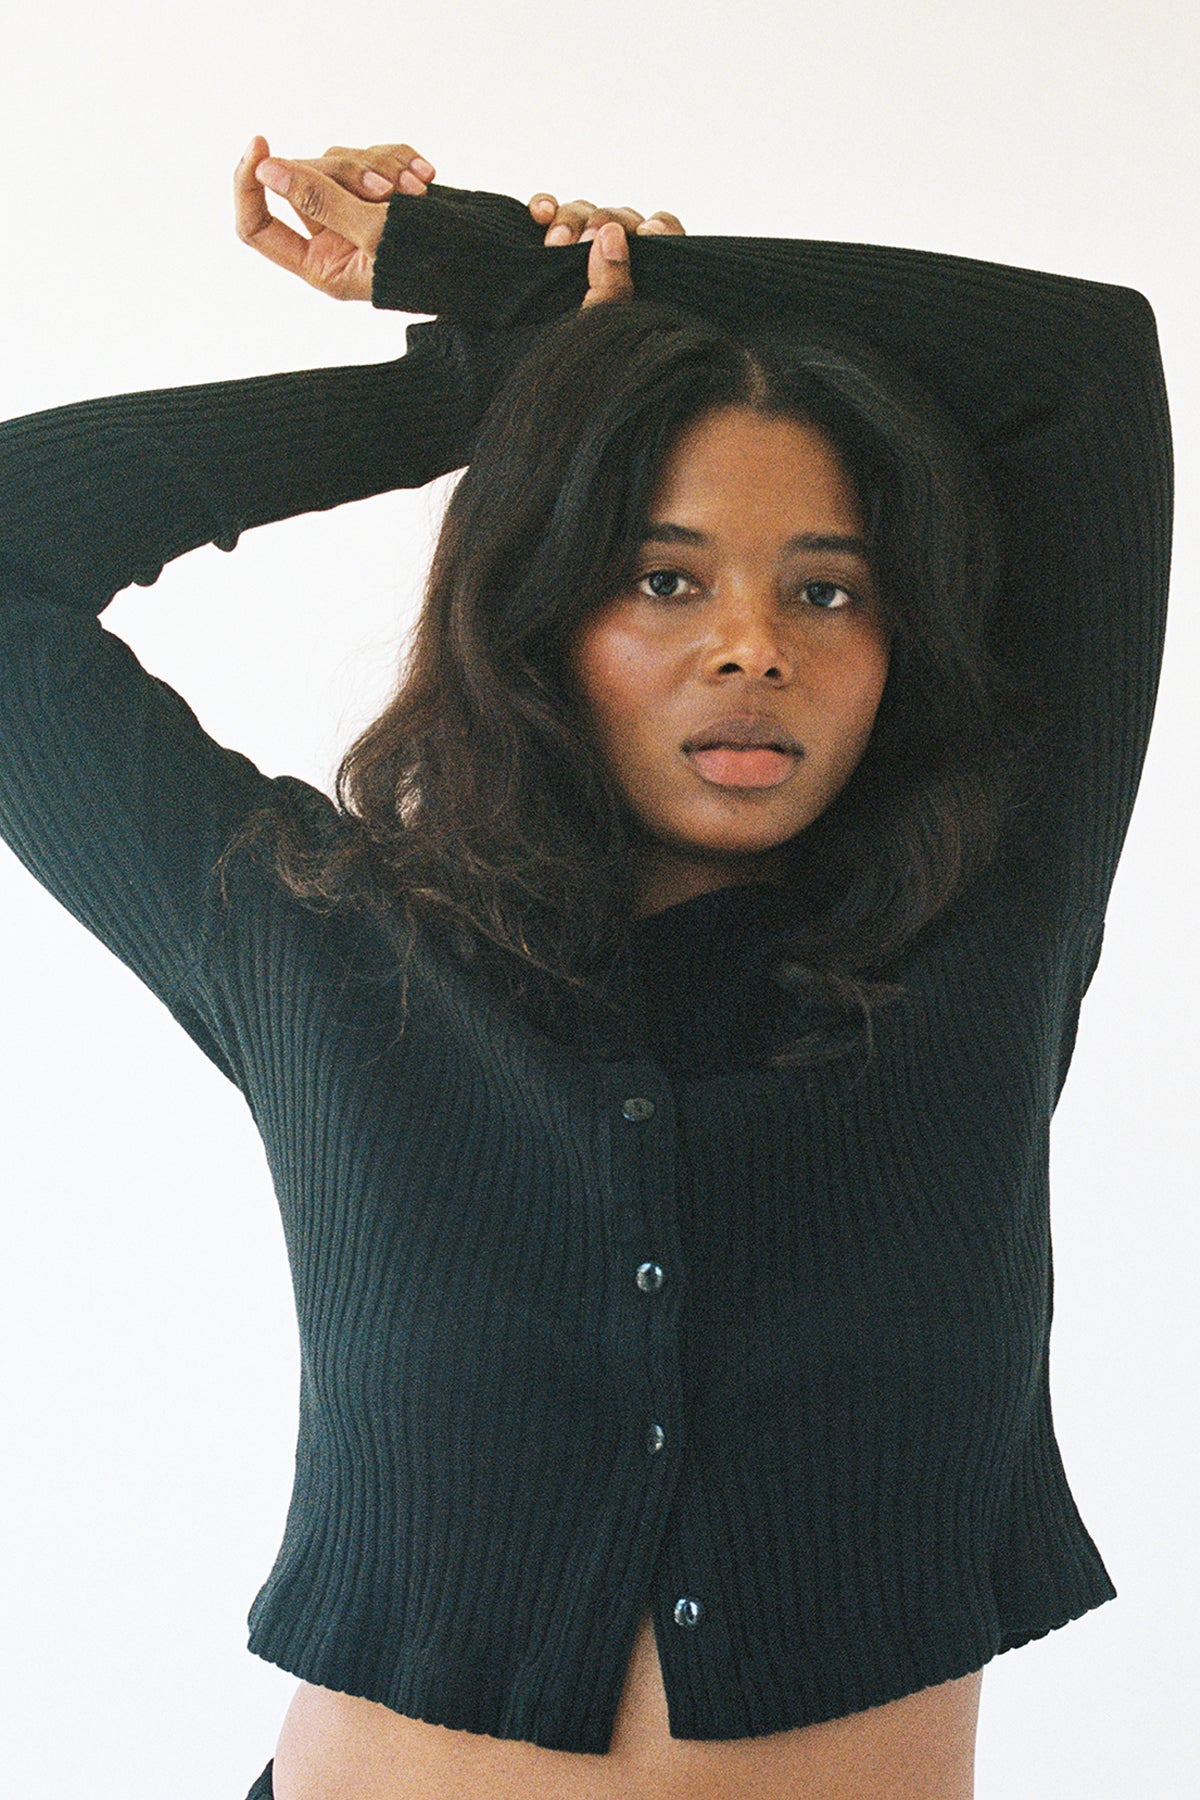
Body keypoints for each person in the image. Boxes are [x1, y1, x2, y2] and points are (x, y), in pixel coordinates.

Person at [0, 130, 1172, 1800]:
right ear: (542, 616)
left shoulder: (985, 939)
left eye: (830, 589)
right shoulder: (319, 939)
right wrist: (480, 392)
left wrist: (542, 277)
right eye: (663, 575)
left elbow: (1077, 368)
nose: (754, 642)